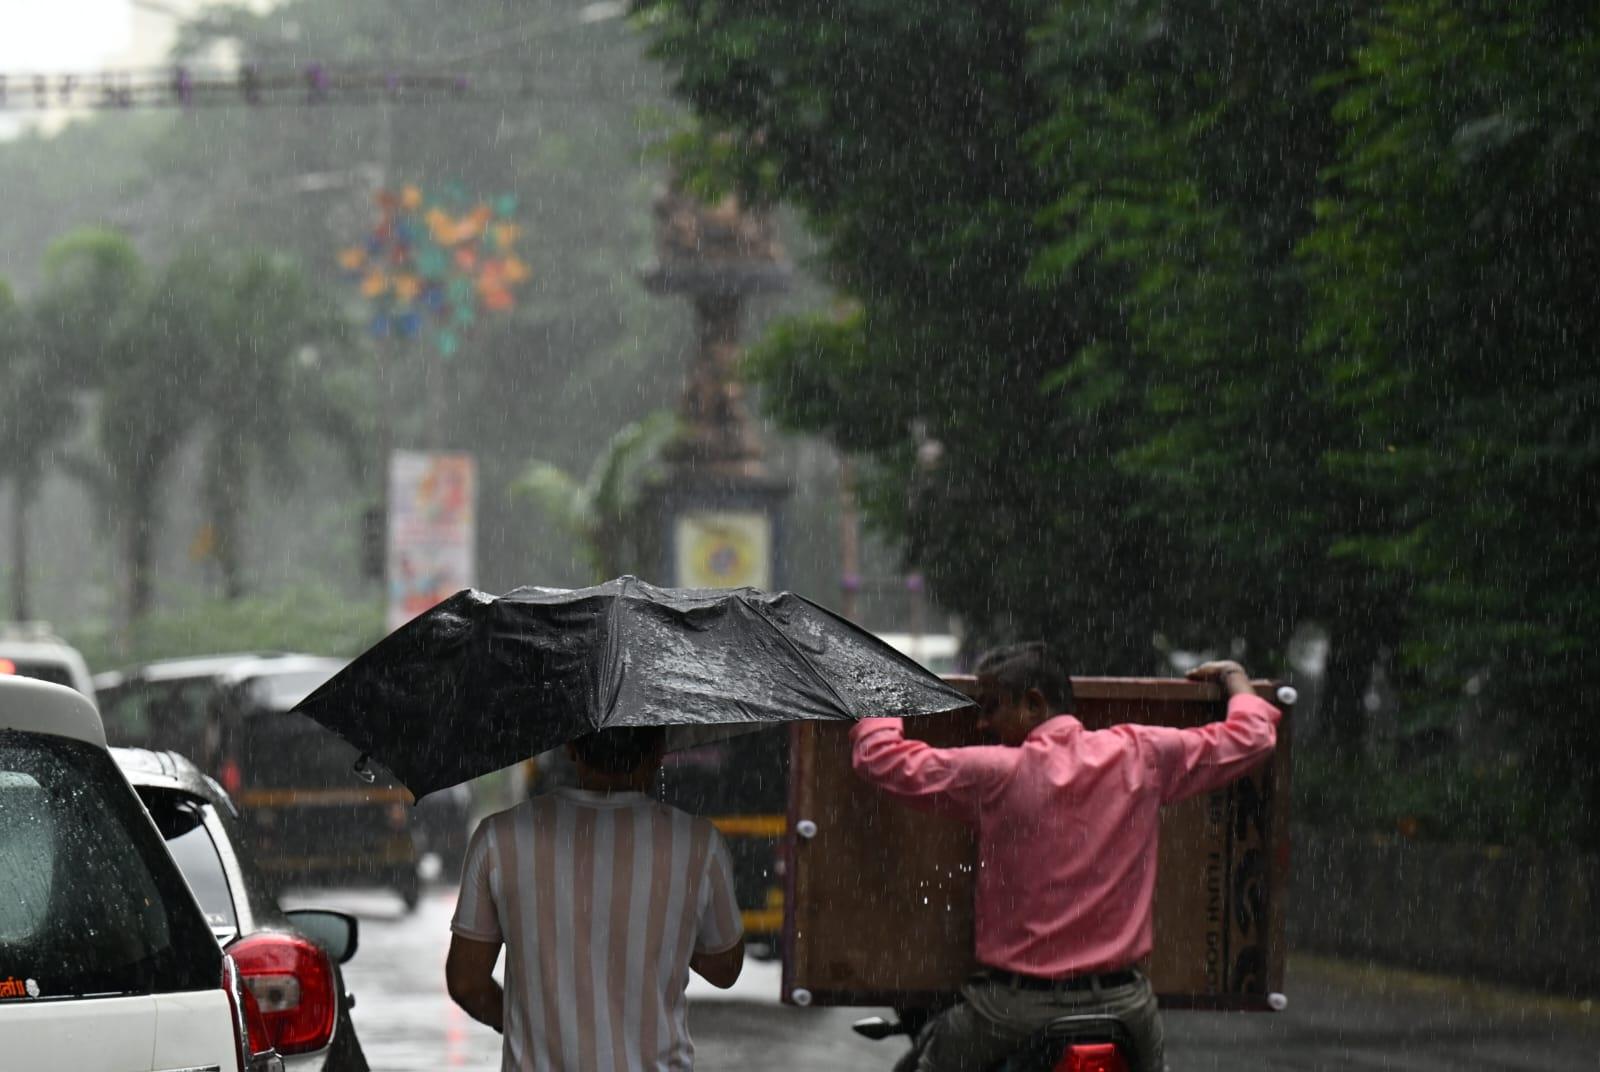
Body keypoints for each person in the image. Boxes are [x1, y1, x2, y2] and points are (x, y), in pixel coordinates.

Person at [850, 643, 1281, 1072]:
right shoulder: (1141, 754)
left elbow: (881, 758)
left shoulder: (995, 773)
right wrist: (1234, 678)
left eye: (992, 706)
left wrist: (879, 694)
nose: (982, 723)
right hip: (1124, 1004)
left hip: (1011, 1008)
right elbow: (1253, 737)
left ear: (1034, 703)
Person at [446, 726, 746, 1072]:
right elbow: (726, 969)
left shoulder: (500, 837)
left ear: (571, 747)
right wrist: (659, 918)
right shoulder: (697, 844)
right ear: (660, 749)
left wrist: (526, 1027)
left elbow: (466, 982)